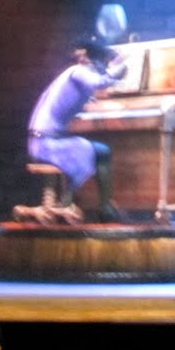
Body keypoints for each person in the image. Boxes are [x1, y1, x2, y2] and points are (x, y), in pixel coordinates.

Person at [27, 36, 130, 222]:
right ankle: (102, 208)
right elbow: (99, 83)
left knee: (93, 149)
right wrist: (117, 69)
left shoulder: (75, 73)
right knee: (103, 152)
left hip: (43, 139)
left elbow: (78, 101)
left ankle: (70, 201)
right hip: (47, 144)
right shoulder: (78, 72)